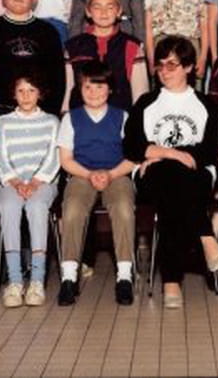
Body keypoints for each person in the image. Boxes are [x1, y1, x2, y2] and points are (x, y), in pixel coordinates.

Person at [123, 36, 218, 309]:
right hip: (151, 176)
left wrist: (160, 153)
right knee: (170, 176)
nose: (164, 71)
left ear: (189, 67)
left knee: (173, 193)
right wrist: (173, 154)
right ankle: (206, 236)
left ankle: (171, 282)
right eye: (161, 65)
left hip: (196, 176)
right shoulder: (146, 102)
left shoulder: (205, 103)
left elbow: (209, 150)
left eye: (172, 65)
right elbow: (131, 145)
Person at [57, 61, 136, 306]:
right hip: (82, 174)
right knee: (72, 210)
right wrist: (90, 174)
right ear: (79, 90)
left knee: (123, 208)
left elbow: (133, 158)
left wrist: (110, 174)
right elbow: (65, 160)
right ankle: (69, 276)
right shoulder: (71, 119)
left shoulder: (122, 117)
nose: (94, 93)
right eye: (88, 87)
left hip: (116, 174)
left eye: (99, 87)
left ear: (110, 89)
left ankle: (125, 276)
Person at [0, 71, 60, 307]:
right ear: (13, 94)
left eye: (31, 91)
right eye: (21, 91)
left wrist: (35, 182)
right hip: (12, 183)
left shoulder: (51, 122)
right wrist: (15, 182)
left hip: (42, 183)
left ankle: (37, 281)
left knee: (36, 207)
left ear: (40, 94)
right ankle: (15, 281)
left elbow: (54, 158)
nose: (26, 96)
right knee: (8, 207)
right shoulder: (3, 122)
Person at [62, 0, 148, 112]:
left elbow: (140, 93)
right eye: (97, 7)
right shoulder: (73, 46)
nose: (104, 12)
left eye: (110, 7)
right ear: (88, 11)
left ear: (119, 11)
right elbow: (68, 89)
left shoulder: (132, 46)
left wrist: (137, 119)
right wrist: (64, 114)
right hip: (80, 116)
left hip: (120, 117)